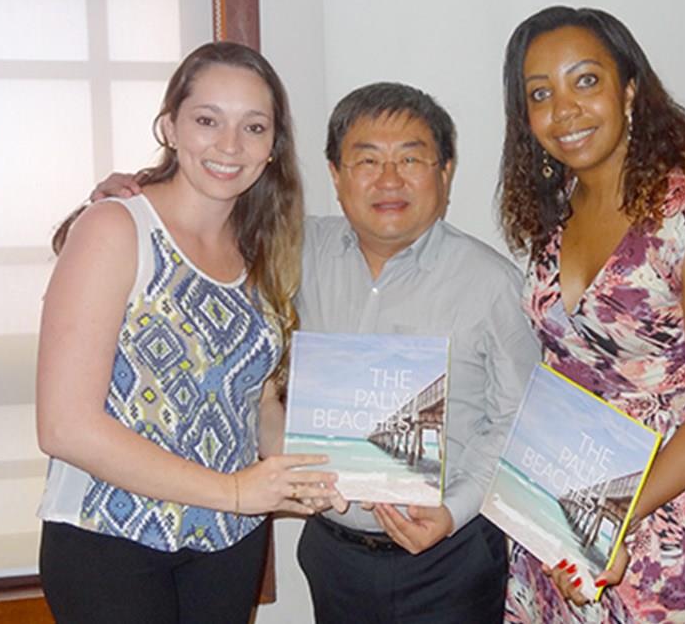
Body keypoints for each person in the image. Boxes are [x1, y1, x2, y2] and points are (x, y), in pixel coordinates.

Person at [94, 81, 540, 624]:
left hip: (451, 558)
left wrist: (453, 511)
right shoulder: (292, 249)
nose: (389, 179)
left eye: (411, 159)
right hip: (334, 555)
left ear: (445, 173)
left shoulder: (492, 284)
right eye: (366, 160)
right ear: (335, 174)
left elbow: (517, 419)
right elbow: (196, 222)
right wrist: (131, 198)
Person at [35, 41, 340, 624]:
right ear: (170, 126)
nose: (230, 145)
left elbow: (256, 407)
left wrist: (320, 474)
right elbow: (64, 426)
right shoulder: (115, 228)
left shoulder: (264, 247)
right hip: (111, 537)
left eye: (254, 127)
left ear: (273, 147)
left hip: (227, 541)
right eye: (207, 120)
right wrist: (234, 491)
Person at [497, 6, 685, 623]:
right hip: (565, 500)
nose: (564, 109)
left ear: (629, 91)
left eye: (585, 81)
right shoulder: (555, 214)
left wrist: (614, 514)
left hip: (658, 518)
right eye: (540, 94)